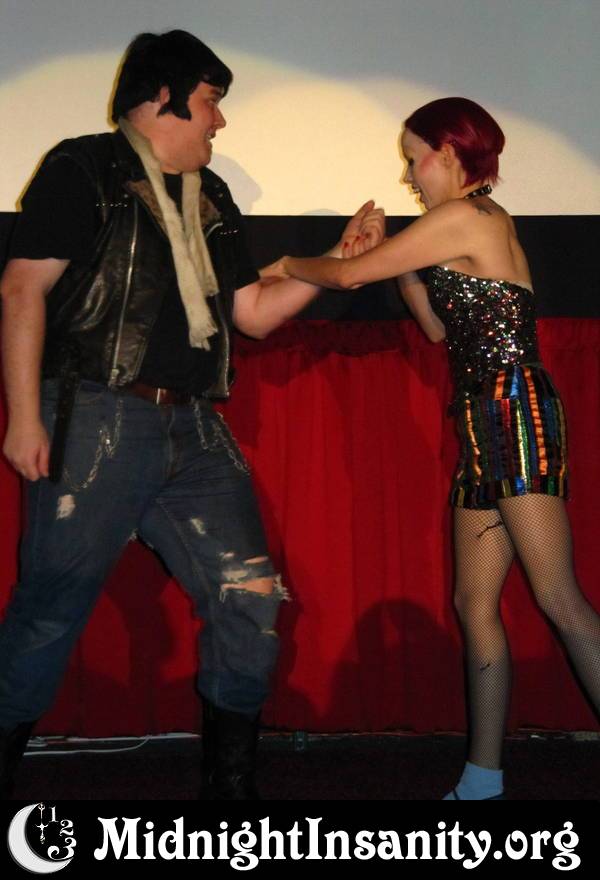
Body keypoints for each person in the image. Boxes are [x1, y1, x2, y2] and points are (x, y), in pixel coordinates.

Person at [0, 29, 383, 800]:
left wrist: (339, 265)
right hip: (97, 415)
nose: (220, 120)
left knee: (249, 598)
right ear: (162, 99)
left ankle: (229, 797)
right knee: (50, 611)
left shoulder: (212, 195)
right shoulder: (83, 168)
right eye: (210, 102)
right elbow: (21, 289)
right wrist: (24, 418)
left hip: (197, 428)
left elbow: (254, 313)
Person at [267, 96, 600, 799]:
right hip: (486, 420)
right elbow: (438, 332)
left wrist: (289, 262)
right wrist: (401, 262)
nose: (409, 174)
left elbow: (347, 276)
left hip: (514, 414)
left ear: (449, 154)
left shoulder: (469, 217)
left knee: (559, 598)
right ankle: (481, 780)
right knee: (473, 603)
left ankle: (483, 777)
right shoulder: (462, 226)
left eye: (414, 157)